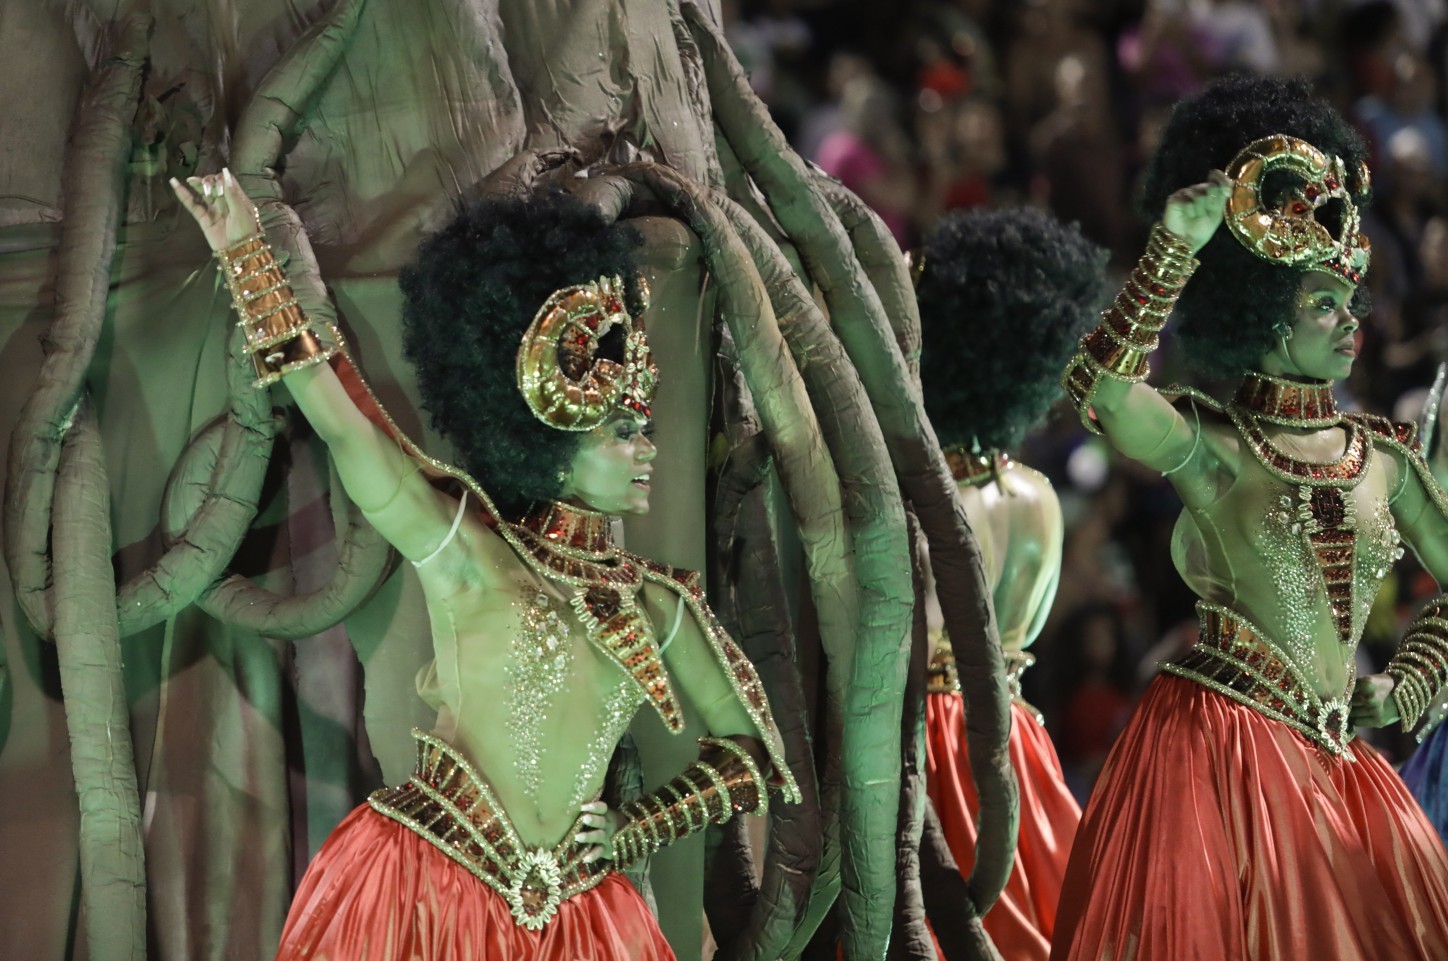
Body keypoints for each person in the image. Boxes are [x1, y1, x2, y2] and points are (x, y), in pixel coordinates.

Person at [172, 170, 799, 961]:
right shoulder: (467, 548)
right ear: (548, 432)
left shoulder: (659, 602)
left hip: (581, 920)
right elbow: (343, 427)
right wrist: (246, 258)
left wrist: (637, 825)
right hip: (427, 889)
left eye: (642, 427)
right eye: (618, 430)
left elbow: (754, 756)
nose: (646, 450)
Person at [1052, 74, 1448, 960]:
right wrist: (1172, 253)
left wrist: (1409, 684)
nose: (1351, 324)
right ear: (1264, 317)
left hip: (1343, 767)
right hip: (1215, 763)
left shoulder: (1384, 456)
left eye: (1352, 303)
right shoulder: (1218, 445)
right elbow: (1105, 398)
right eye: (1322, 305)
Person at [915, 207, 1109, 961]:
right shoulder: (1038, 498)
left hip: (924, 750)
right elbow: (1025, 627)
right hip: (1016, 742)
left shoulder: (909, 498)